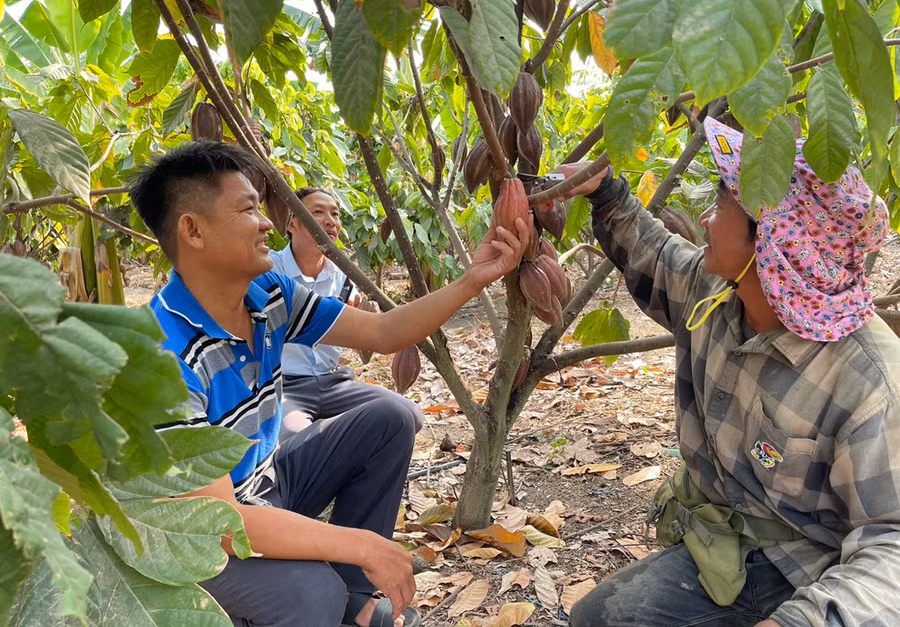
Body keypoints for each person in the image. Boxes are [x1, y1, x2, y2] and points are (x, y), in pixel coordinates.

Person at [128, 141, 529, 627]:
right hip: (194, 540)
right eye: (248, 209)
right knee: (312, 594)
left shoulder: (267, 295)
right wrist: (363, 545)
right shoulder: (159, 358)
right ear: (193, 230)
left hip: (263, 486)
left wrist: (474, 279)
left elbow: (383, 332)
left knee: (389, 417)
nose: (267, 223)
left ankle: (353, 602)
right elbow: (218, 525)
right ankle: (309, 604)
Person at [557, 117, 900, 627]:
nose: (705, 219)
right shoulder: (718, 294)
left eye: (721, 206)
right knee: (598, 618)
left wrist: (802, 620)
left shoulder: (871, 382)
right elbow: (657, 256)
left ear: (773, 245)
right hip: (725, 538)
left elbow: (892, 543)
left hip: (811, 567)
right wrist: (604, 190)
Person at [269, 187, 425, 438]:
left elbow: (371, 329)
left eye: (335, 214)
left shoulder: (344, 276)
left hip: (332, 383)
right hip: (284, 386)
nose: (330, 221)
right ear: (291, 223)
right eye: (317, 212)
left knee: (408, 414)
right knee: (295, 437)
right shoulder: (270, 269)